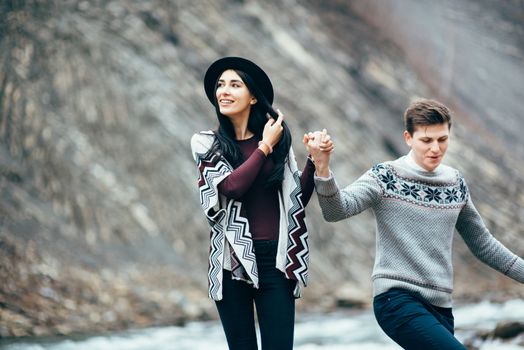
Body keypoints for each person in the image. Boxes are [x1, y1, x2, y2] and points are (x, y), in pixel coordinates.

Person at [304, 98, 524, 350]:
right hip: (396, 300)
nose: (436, 148)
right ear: (408, 138)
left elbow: (484, 245)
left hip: (441, 307)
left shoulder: (455, 183)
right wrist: (322, 167)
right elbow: (336, 210)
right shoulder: (385, 176)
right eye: (426, 140)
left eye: (442, 140)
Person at [190, 57, 332, 350]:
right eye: (220, 85)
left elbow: (296, 201)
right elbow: (231, 187)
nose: (224, 91)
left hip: (275, 262)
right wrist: (264, 146)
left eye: (234, 85)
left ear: (253, 96)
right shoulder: (206, 143)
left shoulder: (278, 143)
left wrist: (314, 159)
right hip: (230, 262)